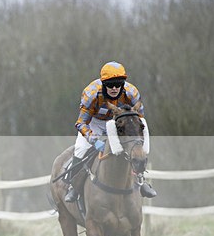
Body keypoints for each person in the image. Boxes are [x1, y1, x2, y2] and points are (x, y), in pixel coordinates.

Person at [64, 61, 157, 202]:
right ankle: (74, 187)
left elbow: (140, 121)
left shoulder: (132, 93)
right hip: (94, 122)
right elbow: (81, 122)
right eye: (110, 85)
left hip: (119, 123)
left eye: (118, 84)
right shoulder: (91, 94)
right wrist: (94, 140)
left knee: (134, 150)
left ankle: (141, 181)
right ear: (103, 84)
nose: (114, 88)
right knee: (81, 148)